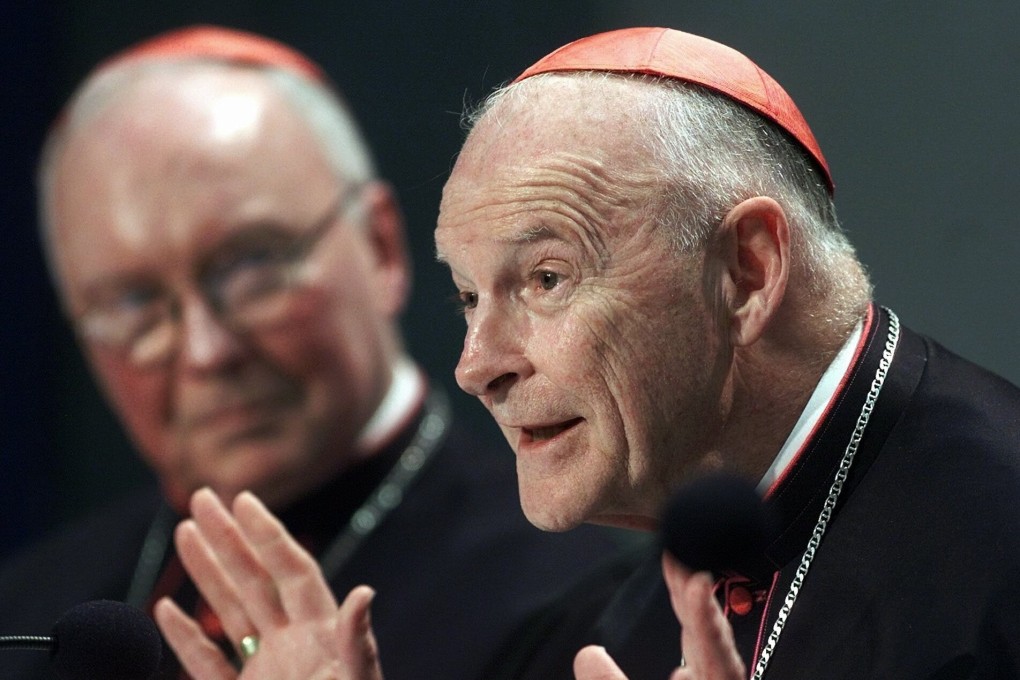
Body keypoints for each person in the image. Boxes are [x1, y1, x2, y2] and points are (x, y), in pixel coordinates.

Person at [152, 26, 1020, 680]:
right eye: (465, 296)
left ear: (748, 272)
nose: (475, 365)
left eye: (546, 278)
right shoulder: (589, 635)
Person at [0, 25, 633, 680]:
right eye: (132, 303)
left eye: (250, 266)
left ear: (380, 246)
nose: (206, 351)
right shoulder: (27, 613)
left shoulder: (576, 607)